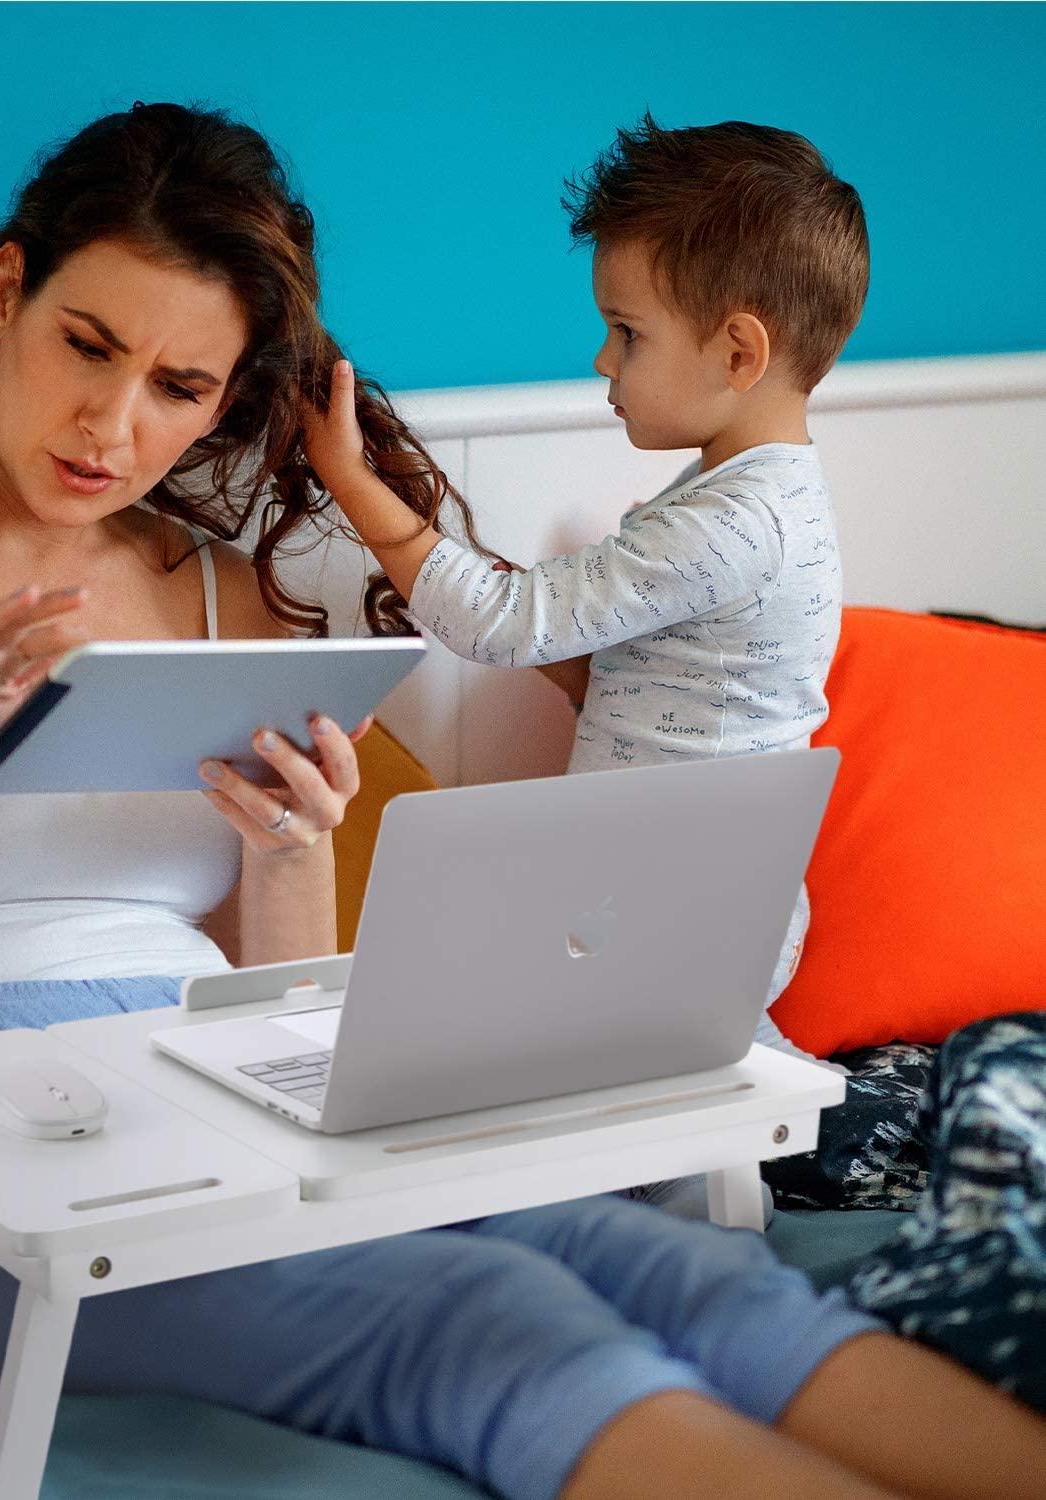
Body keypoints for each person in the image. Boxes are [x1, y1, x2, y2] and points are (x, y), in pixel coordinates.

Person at [0, 103, 1046, 1500]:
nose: (114, 427)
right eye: (88, 345)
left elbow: (282, 994)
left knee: (658, 1260)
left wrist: (292, 841)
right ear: (7, 295)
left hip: (214, 1099)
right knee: (485, 1326)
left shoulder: (217, 594)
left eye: (181, 389)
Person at [302, 116, 866, 1066]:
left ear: (739, 352)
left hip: (683, 908)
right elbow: (631, 675)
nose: (604, 359)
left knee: (539, 1050)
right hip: (709, 896)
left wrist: (353, 482)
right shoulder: (755, 495)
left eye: (627, 331)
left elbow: (499, 625)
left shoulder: (730, 524)